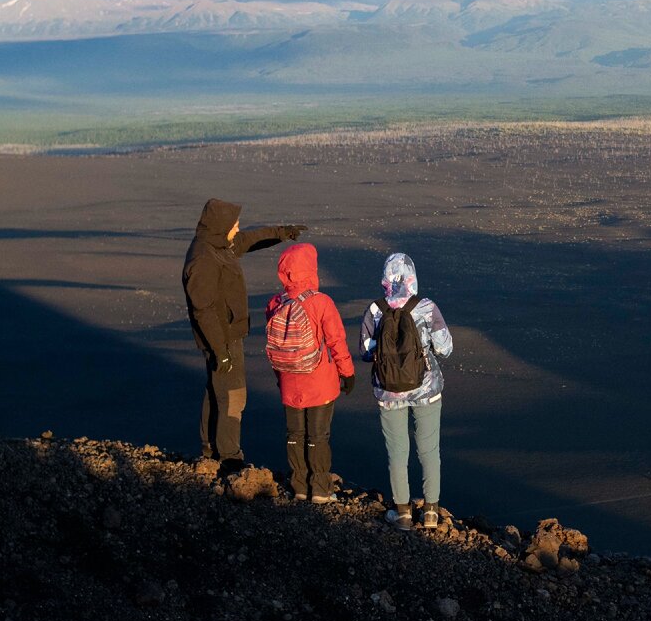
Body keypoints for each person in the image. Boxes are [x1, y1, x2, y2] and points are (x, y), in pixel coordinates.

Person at [181, 197, 305, 471]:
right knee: (233, 396)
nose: (237, 229)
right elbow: (203, 309)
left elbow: (249, 239)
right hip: (221, 338)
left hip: (226, 335)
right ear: (220, 226)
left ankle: (210, 448)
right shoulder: (203, 258)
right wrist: (220, 350)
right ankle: (230, 457)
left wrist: (281, 233)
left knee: (217, 391)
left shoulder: (218, 245)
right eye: (233, 225)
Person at [359, 253, 453, 531]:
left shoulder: (374, 311)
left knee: (397, 452)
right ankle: (431, 512)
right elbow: (445, 347)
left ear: (385, 279)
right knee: (429, 450)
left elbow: (366, 352)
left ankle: (402, 513)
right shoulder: (425, 307)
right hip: (426, 388)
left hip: (388, 392)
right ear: (413, 277)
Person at [266, 243, 355, 503]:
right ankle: (320, 488)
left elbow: (274, 344)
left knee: (294, 434)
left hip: (289, 380)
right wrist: (347, 373)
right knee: (318, 436)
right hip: (319, 381)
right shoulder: (321, 303)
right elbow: (336, 341)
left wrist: (279, 377)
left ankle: (299, 485)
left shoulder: (275, 303)